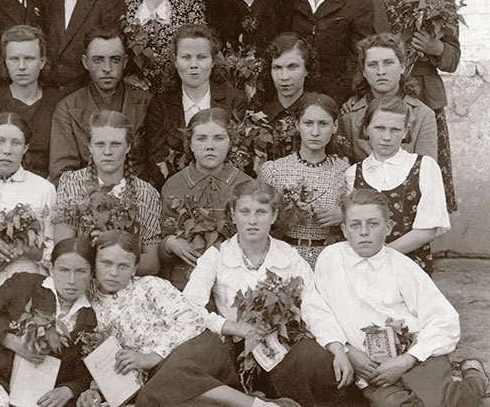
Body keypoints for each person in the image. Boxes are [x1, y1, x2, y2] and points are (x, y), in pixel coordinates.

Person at [301, 189, 490, 407]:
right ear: (344, 229)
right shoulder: (331, 259)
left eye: (373, 224)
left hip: (414, 357)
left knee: (455, 403)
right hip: (373, 370)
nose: (364, 232)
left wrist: (406, 360)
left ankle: (475, 376)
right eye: (355, 225)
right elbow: (317, 310)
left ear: (388, 227)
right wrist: (345, 349)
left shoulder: (402, 266)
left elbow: (444, 319)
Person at [184, 180, 352, 406]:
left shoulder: (287, 255)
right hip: (236, 350)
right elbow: (187, 308)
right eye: (245, 212)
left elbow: (313, 304)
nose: (252, 220)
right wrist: (232, 327)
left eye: (261, 212)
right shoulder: (216, 256)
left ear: (274, 216)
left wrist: (337, 349)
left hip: (282, 347)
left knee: (316, 360)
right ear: (233, 215)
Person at [77, 230, 291, 407]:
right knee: (158, 396)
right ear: (94, 264)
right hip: (163, 377)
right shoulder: (91, 307)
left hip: (196, 349)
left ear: (134, 268)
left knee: (158, 389)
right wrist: (96, 390)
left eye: (123, 266)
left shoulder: (149, 286)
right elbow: (105, 356)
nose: (113, 272)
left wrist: (152, 356)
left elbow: (191, 319)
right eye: (106, 263)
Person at [364, 0, 460, 212]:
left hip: (425, 98)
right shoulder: (369, 1)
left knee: (426, 168)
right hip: (383, 98)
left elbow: (453, 59)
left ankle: (425, 227)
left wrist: (435, 48)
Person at [0, 238, 97, 407]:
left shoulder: (91, 318)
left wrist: (69, 389)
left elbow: (86, 371)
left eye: (81, 271)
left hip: (33, 395)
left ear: (91, 274)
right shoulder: (26, 284)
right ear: (52, 269)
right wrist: (9, 339)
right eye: (63, 270)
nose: (71, 280)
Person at [346, 96, 449, 273]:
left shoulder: (424, 166)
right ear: (366, 128)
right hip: (364, 268)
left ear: (406, 131)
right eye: (379, 128)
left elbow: (428, 228)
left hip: (411, 267)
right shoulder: (353, 173)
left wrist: (381, 255)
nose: (386, 137)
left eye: (395, 129)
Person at [54, 111, 161, 275]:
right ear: (89, 146)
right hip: (81, 276)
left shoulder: (146, 193)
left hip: (128, 280)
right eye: (100, 144)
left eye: (116, 144)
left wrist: (117, 251)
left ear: (128, 146)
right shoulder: (72, 183)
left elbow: (152, 263)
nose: (108, 151)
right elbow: (63, 250)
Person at [159, 108, 253, 289]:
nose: (210, 146)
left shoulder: (246, 185)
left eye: (219, 138)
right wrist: (170, 243)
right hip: (183, 281)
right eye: (201, 138)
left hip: (233, 281)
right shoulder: (174, 185)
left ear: (231, 143)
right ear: (190, 144)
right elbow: (158, 241)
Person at [145, 24, 247, 189]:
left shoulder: (234, 100)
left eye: (201, 57)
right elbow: (157, 160)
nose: (194, 65)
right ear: (175, 61)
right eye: (186, 57)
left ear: (213, 61)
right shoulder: (160, 105)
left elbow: (239, 156)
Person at [49, 27, 152, 184]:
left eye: (115, 60)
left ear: (125, 62)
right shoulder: (68, 109)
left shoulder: (146, 103)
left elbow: (155, 168)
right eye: (98, 60)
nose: (107, 68)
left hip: (139, 193)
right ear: (85, 62)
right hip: (85, 195)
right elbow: (62, 176)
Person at [0, 113, 56, 292]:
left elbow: (55, 251)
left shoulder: (44, 189)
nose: (7, 150)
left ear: (25, 148)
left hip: (31, 285)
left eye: (16, 143)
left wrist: (24, 248)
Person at [259, 93, 349, 266]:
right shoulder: (274, 170)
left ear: (335, 126)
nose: (315, 132)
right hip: (284, 258)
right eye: (308, 123)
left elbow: (363, 216)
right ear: (297, 125)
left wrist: (344, 215)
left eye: (323, 124)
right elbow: (259, 217)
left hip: (330, 260)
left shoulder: (346, 173)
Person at [339, 33, 437, 162]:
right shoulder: (350, 115)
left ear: (402, 67)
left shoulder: (422, 115)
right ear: (364, 72)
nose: (381, 71)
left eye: (388, 63)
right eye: (373, 65)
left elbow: (426, 168)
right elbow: (345, 166)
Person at [0, 25, 62, 178]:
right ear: (5, 62)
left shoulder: (58, 102)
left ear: (42, 62)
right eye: (14, 59)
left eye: (29, 59)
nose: (21, 67)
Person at [251, 32, 317, 161]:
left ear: (307, 70)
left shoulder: (318, 113)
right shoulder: (259, 114)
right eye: (277, 68)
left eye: (292, 67)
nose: (284, 77)